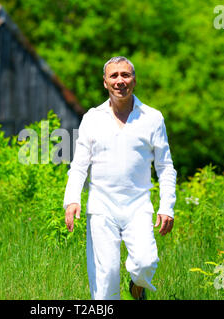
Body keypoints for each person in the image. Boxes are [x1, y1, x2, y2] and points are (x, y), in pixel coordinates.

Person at [63, 56, 177, 300]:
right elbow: (79, 165)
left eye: (125, 75)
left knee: (146, 262)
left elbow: (165, 166)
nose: (120, 81)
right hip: (102, 207)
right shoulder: (92, 118)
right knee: (106, 281)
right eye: (113, 76)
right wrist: (72, 200)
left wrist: (167, 207)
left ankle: (137, 288)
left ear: (134, 80)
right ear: (105, 82)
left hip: (138, 206)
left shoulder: (152, 118)